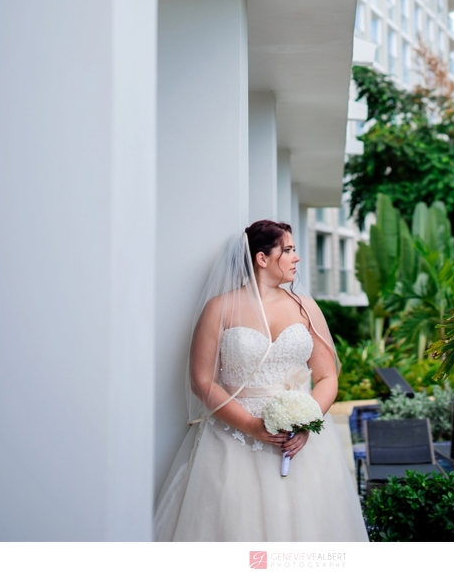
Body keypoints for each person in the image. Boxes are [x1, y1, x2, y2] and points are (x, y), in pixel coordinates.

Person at [154, 220, 369, 541]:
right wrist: (251, 426)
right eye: (288, 250)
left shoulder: (305, 307)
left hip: (300, 444)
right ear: (262, 258)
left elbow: (327, 376)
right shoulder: (219, 308)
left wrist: (307, 422)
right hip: (232, 440)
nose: (296, 258)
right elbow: (201, 381)